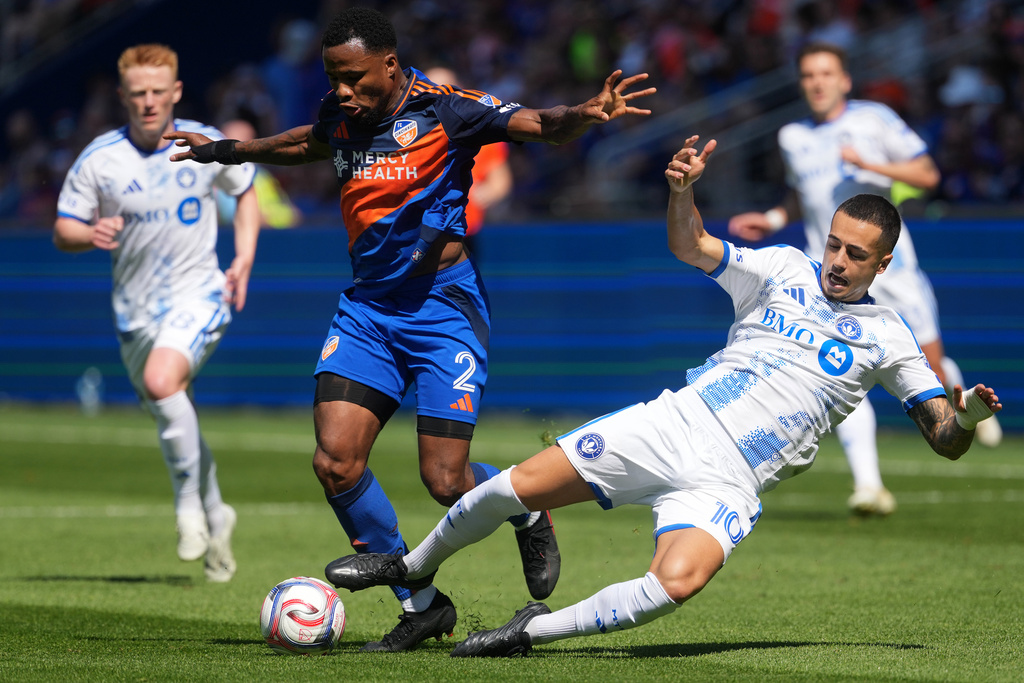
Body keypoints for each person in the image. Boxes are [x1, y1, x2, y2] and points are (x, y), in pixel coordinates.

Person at [322, 135, 1002, 657]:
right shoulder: (784, 268)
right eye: (834, 245)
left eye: (856, 254)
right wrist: (682, 192)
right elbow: (693, 245)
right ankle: (411, 567)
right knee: (517, 487)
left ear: (884, 262)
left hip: (733, 479)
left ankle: (529, 632)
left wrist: (965, 413)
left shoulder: (888, 334)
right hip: (677, 421)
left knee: (677, 581)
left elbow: (944, 435)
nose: (838, 262)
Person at [165, 7, 655, 651]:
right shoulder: (342, 114)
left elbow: (536, 124)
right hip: (368, 311)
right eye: (333, 76)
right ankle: (422, 605)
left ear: (389, 65)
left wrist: (583, 115)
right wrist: (226, 151)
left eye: (354, 76)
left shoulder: (449, 109)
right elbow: (303, 144)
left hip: (442, 309)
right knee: (336, 463)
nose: (342, 88)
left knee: (445, 482)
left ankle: (529, 506)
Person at [727, 41, 1002, 518]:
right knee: (835, 367)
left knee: (928, 370)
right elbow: (802, 194)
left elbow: (926, 173)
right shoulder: (792, 135)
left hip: (892, 272)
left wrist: (870, 166)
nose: (817, 82)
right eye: (809, 74)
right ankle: (869, 486)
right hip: (832, 275)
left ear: (844, 80)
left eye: (826, 73)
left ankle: (955, 388)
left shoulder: (873, 119)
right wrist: (773, 218)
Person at [53, 44, 260, 583]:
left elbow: (247, 192)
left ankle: (189, 507)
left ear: (176, 92)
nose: (148, 102)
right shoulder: (100, 159)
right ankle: (218, 516)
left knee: (161, 379)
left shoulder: (202, 143)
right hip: (135, 314)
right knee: (175, 406)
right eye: (138, 93)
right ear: (123, 96)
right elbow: (64, 228)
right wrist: (88, 233)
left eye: (157, 92)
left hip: (199, 294)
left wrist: (242, 258)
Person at [423, 66, 514, 259]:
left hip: (462, 231)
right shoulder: (408, 132)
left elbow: (500, 181)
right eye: (430, 89)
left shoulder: (481, 134)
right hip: (416, 232)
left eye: (444, 89)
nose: (436, 96)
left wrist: (474, 196)